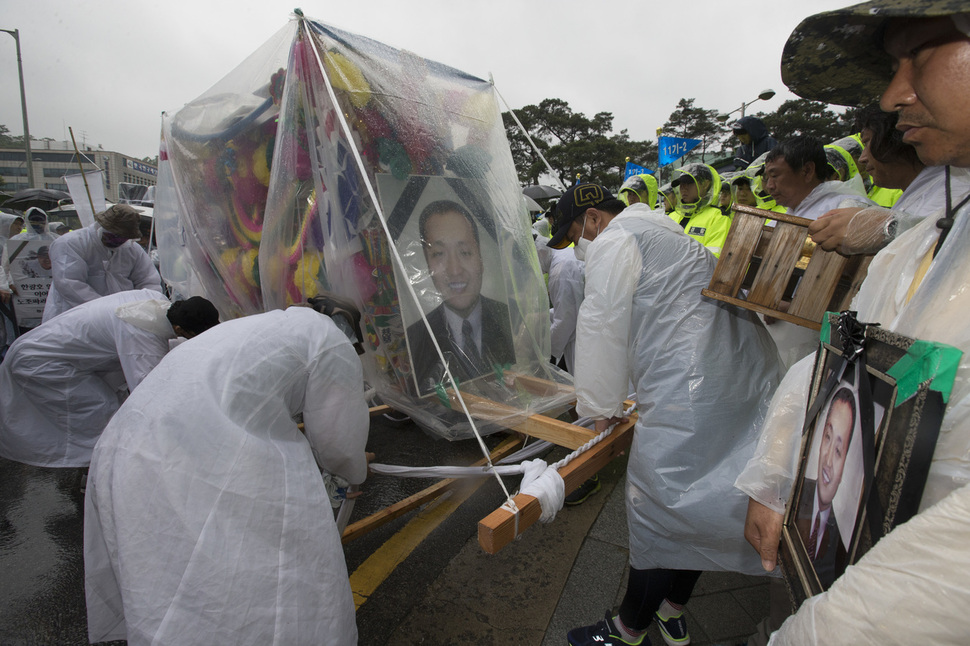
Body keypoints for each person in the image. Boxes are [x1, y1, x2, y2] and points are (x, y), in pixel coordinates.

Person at [735, 4, 970, 643]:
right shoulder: (929, 236)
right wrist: (778, 472)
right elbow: (844, 351)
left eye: (920, 56)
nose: (895, 96)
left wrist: (826, 630)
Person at [547, 183, 783, 646]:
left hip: (688, 392)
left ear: (594, 218)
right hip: (741, 376)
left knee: (658, 507)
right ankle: (672, 610)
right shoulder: (668, 229)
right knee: (706, 502)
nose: (577, 248)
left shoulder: (616, 239)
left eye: (575, 236)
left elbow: (601, 327)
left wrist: (600, 412)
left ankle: (628, 629)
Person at [84, 306, 370, 645]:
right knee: (251, 567)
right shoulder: (333, 344)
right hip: (199, 449)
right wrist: (351, 471)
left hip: (128, 443)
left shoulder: (260, 325)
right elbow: (338, 440)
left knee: (162, 571)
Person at [0, 289, 219, 468]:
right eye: (190, 335)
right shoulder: (142, 336)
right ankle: (103, 469)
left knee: (107, 407)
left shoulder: (156, 303)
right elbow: (150, 392)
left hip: (58, 355)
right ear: (179, 328)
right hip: (41, 363)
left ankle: (104, 462)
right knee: (102, 411)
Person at [405, 199, 514, 394]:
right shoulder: (414, 339)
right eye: (438, 254)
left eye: (465, 252)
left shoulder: (512, 320)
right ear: (427, 264)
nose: (454, 270)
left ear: (481, 258)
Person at [42, 203, 163, 323]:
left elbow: (148, 281)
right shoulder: (70, 243)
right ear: (100, 227)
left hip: (121, 319)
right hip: (75, 317)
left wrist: (146, 308)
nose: (118, 241)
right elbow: (70, 284)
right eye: (113, 236)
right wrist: (108, 311)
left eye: (123, 238)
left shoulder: (132, 249)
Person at [796, 387, 856, 589]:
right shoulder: (797, 507)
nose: (828, 460)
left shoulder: (847, 538)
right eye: (827, 438)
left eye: (838, 451)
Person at [762, 136, 872, 220]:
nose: (769, 186)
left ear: (807, 171)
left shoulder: (849, 209)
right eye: (767, 178)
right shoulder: (789, 214)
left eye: (775, 176)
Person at [669, 162, 734, 257]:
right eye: (681, 184)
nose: (683, 188)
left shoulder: (718, 217)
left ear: (705, 184)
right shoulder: (671, 216)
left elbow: (714, 257)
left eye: (689, 183)